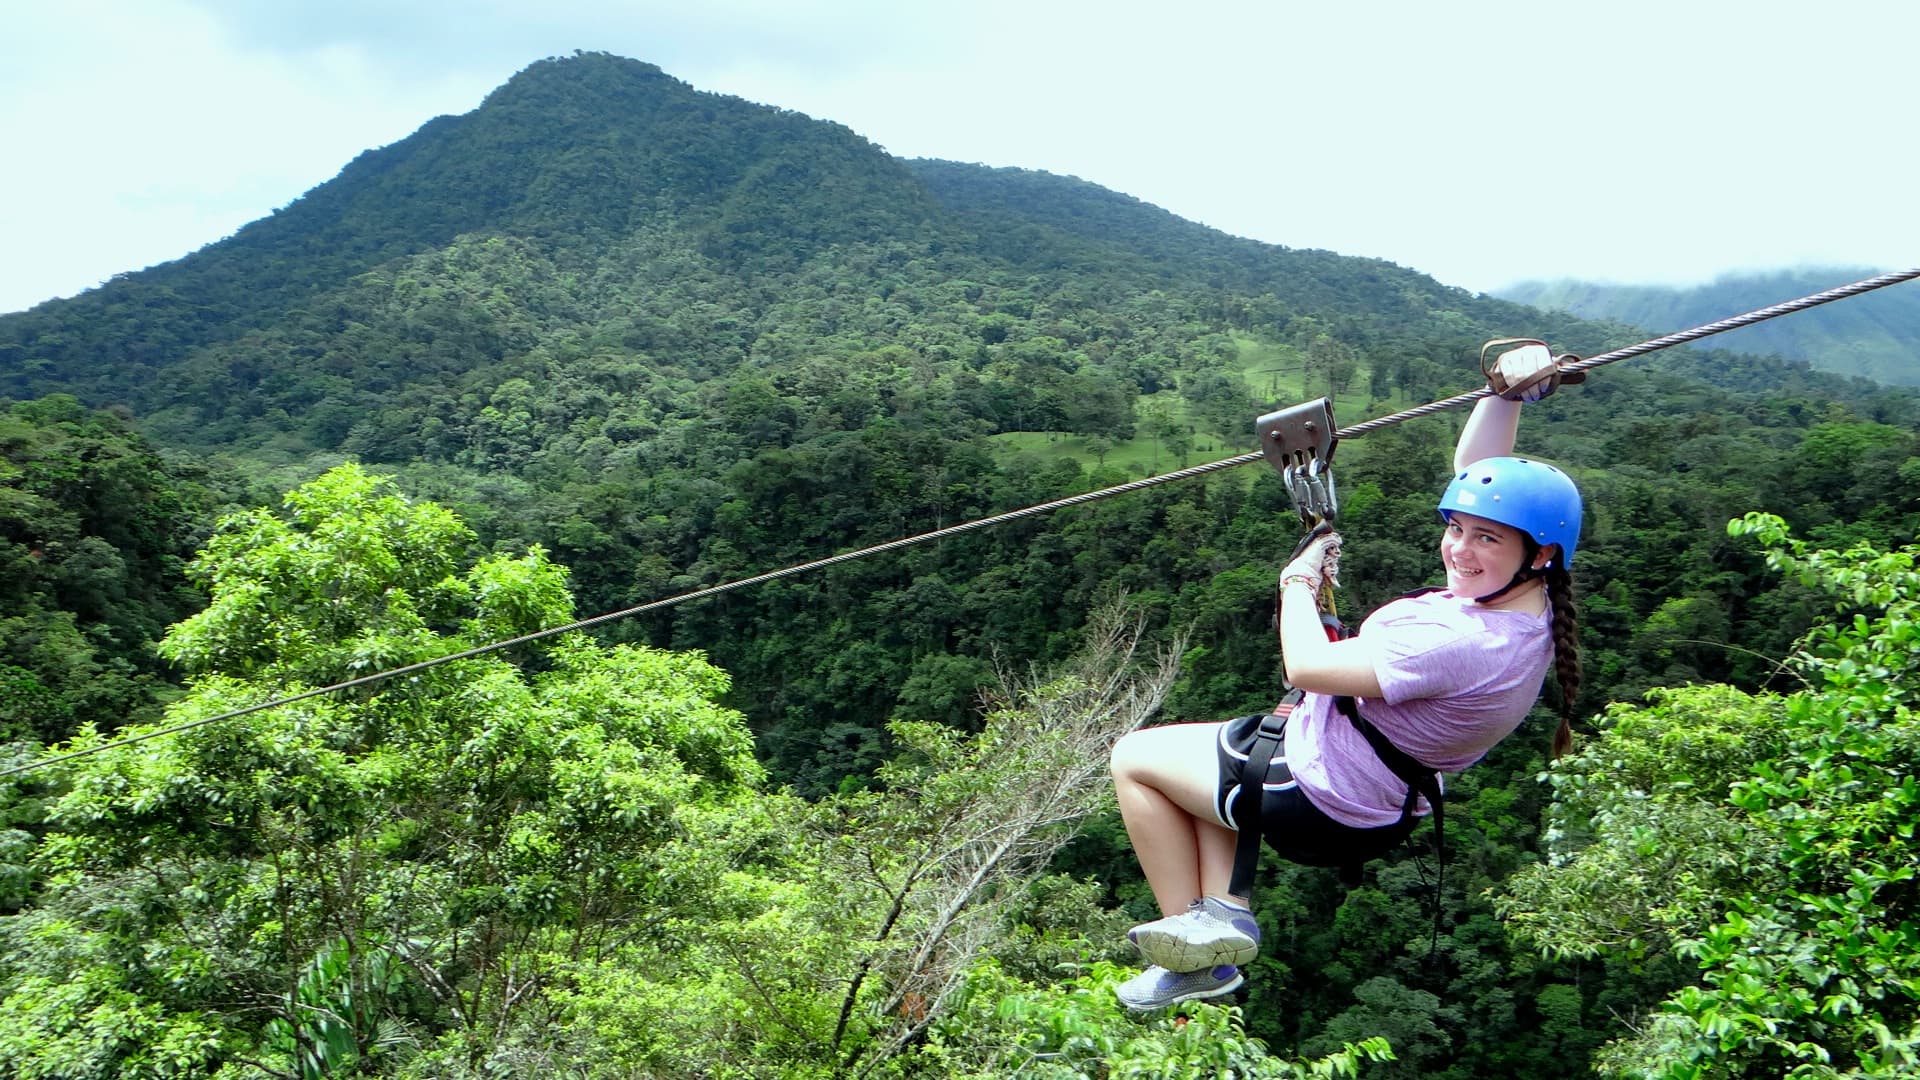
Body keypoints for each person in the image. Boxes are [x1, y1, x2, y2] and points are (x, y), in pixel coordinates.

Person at [1107, 347, 1584, 1010]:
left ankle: (1197, 963)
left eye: (1485, 540)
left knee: (1133, 759)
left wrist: (1297, 580)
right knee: (1203, 769)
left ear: (1540, 553)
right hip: (1372, 798)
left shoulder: (1465, 640)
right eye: (1457, 528)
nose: (1459, 549)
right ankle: (1219, 915)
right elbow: (1478, 475)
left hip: (1319, 793)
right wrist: (1504, 396)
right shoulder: (1531, 611)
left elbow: (1306, 668)